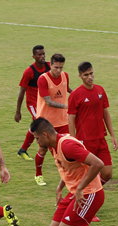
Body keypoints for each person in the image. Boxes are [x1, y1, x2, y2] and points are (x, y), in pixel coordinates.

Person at [68, 61, 118, 185]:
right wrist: (73, 140)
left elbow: (105, 113)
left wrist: (112, 135)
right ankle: (85, 194)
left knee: (107, 173)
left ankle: (93, 191)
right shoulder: (75, 95)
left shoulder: (100, 90)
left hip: (101, 139)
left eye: (91, 73)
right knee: (85, 173)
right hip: (85, 141)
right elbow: (70, 118)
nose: (90, 77)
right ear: (80, 76)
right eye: (86, 75)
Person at [33, 53, 72, 186]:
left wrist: (78, 95)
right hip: (46, 123)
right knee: (44, 149)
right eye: (56, 67)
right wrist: (67, 106)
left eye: (61, 67)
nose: (59, 71)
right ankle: (38, 175)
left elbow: (66, 89)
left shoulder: (65, 76)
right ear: (50, 64)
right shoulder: (43, 79)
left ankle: (70, 176)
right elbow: (48, 102)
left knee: (66, 148)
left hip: (63, 121)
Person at [15, 45, 50, 161]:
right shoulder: (29, 72)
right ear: (34, 56)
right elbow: (22, 91)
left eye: (43, 54)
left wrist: (70, 91)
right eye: (39, 54)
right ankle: (42, 148)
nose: (42, 56)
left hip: (45, 101)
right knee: (40, 124)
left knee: (37, 125)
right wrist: (18, 112)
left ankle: (23, 150)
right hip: (33, 103)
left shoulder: (49, 66)